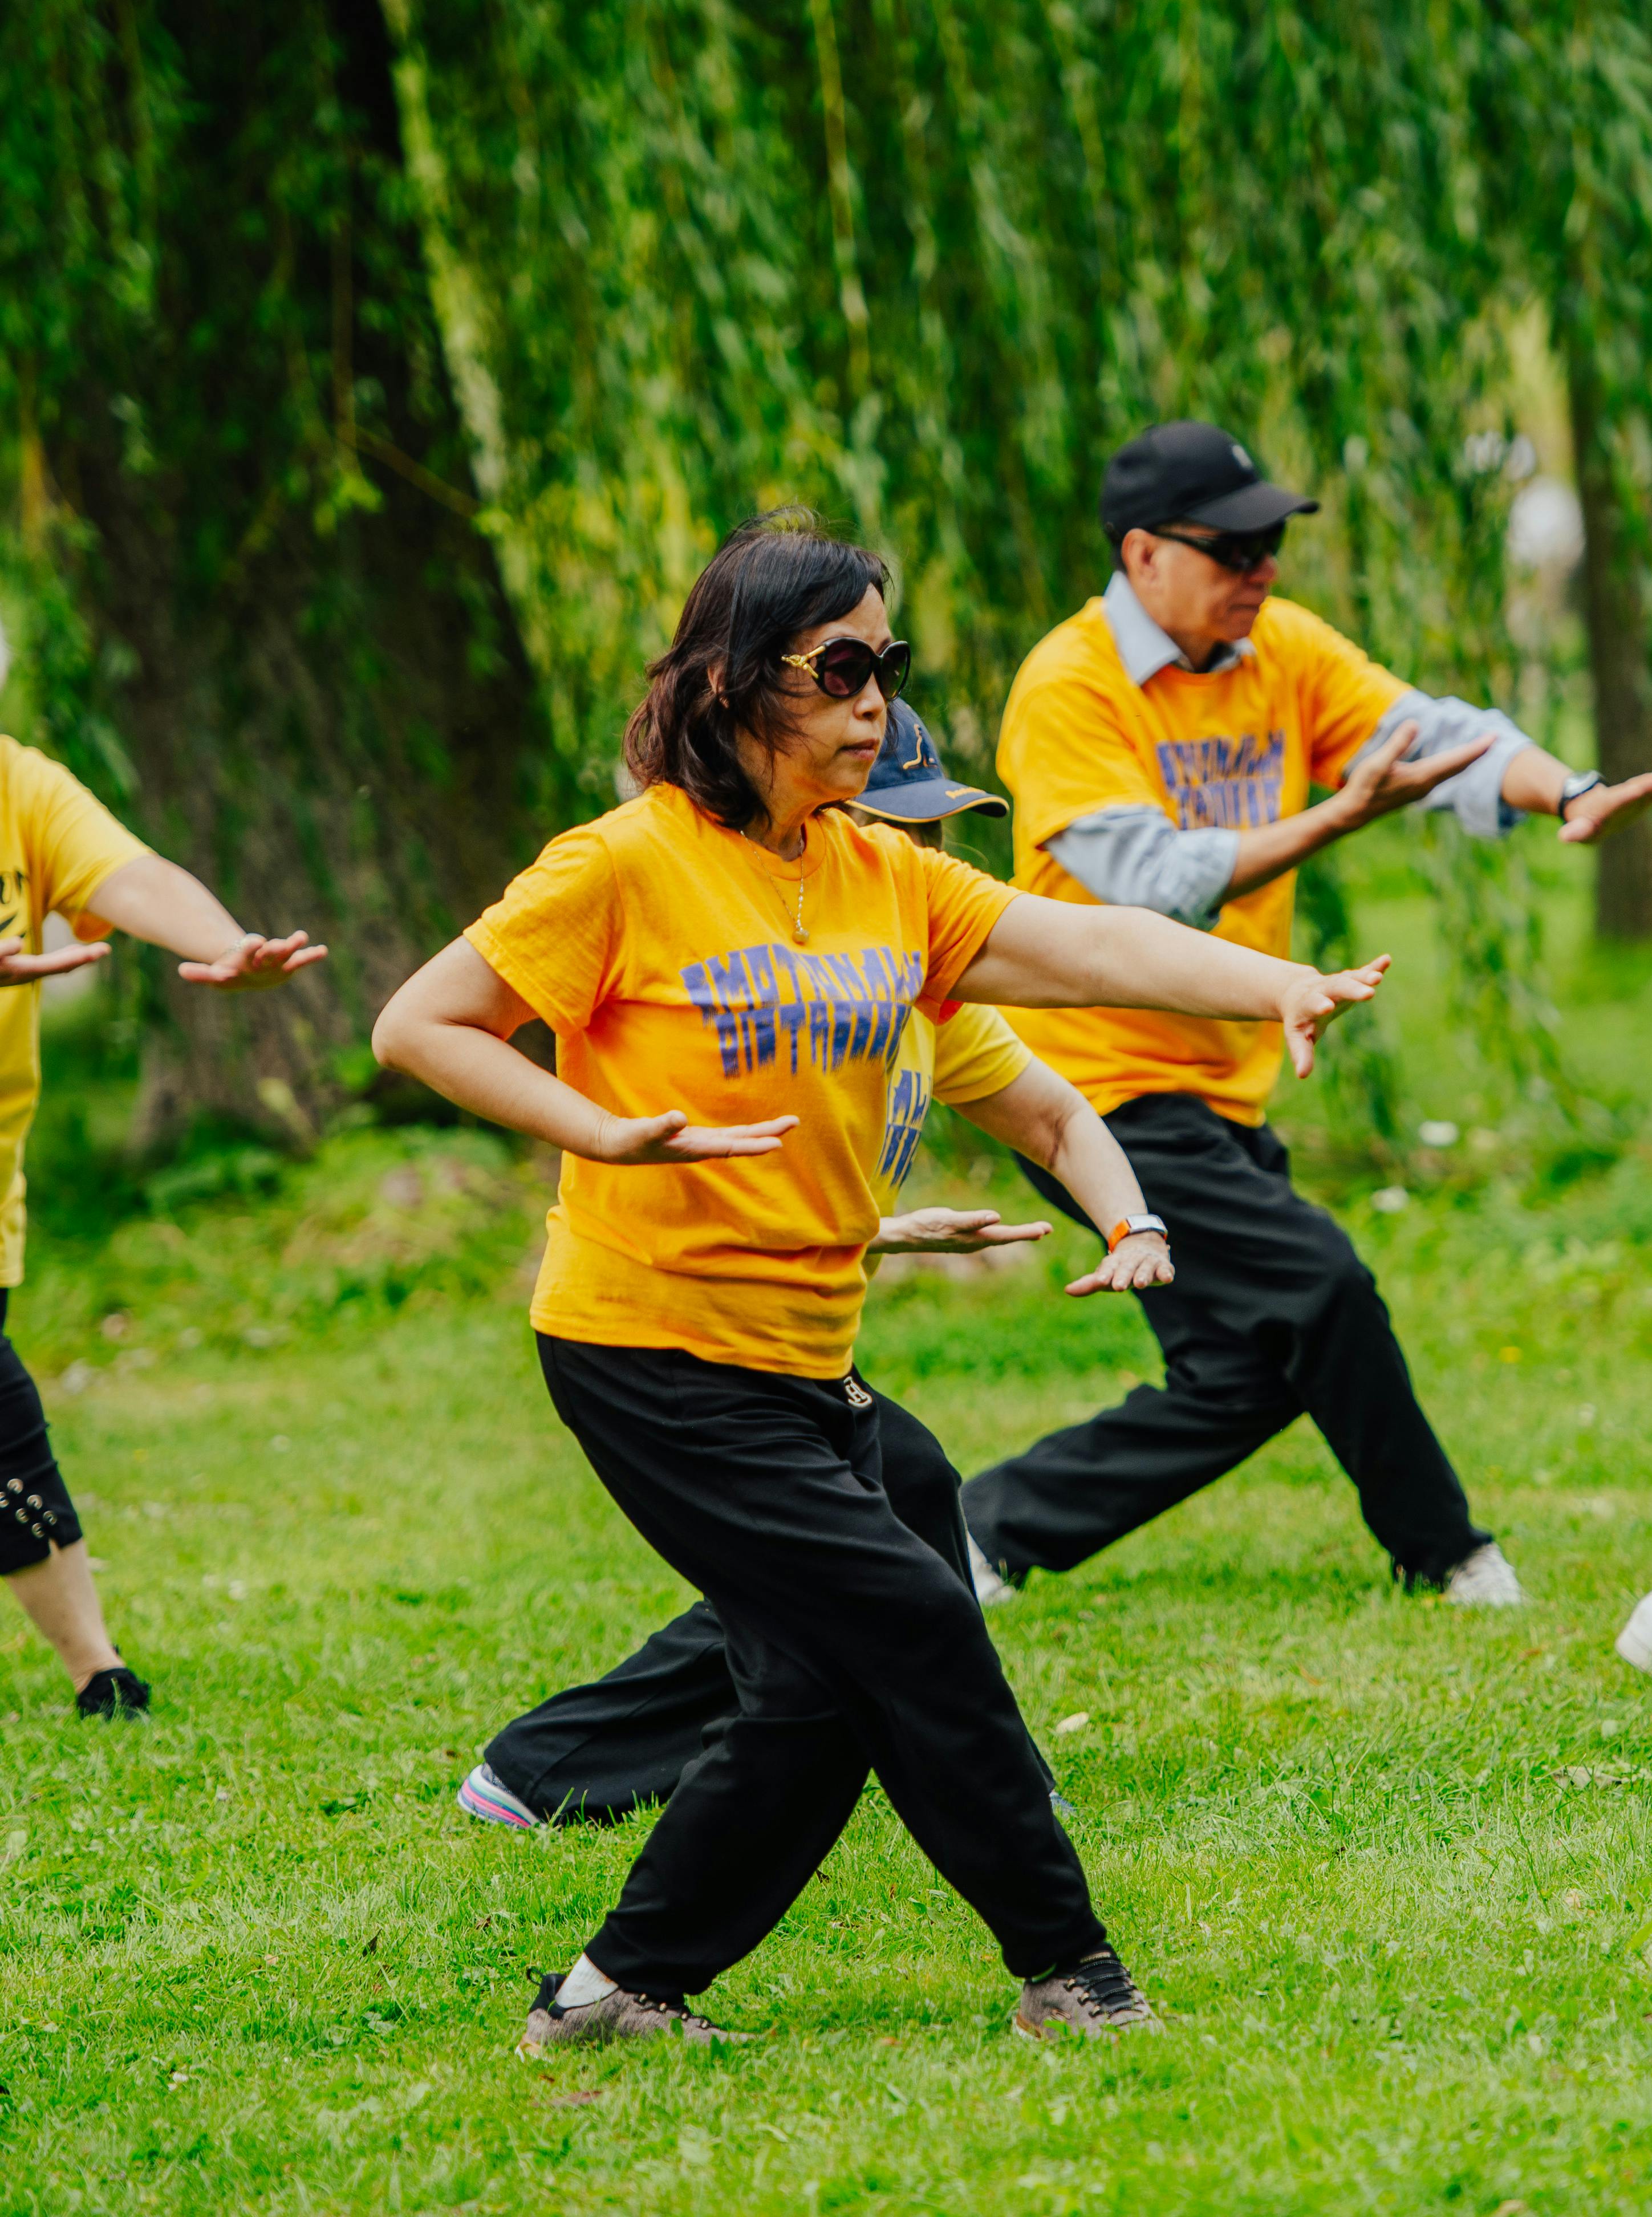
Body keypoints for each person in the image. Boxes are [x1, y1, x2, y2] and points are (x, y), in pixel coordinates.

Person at [373, 506, 1385, 2050]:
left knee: (818, 1689)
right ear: (730, 687)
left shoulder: (882, 881)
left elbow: (1092, 951)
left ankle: (615, 1995)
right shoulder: (624, 866)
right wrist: (601, 1131)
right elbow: (421, 1026)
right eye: (840, 667)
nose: (874, 704)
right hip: (648, 1349)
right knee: (911, 1620)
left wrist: (1281, 983)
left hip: (800, 1351)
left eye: (886, 668)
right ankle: (1073, 1975)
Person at [959, 419, 1652, 1614]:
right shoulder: (1067, 686)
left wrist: (1568, 791)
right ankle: (1449, 1554)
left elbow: (1434, 737)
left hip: (1220, 1078)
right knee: (1324, 1285)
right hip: (1090, 1089)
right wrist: (1336, 821)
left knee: (1246, 1371)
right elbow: (1149, 879)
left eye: (1273, 542)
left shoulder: (1278, 647)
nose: (1263, 569)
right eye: (1234, 547)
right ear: (1143, 555)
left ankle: (979, 1530)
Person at [454, 701, 1174, 1834]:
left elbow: (1047, 1114)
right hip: (668, 1331)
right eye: (906, 826)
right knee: (858, 1573)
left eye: (943, 829)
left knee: (899, 1504)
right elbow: (720, 1163)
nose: (930, 857)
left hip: (787, 1330)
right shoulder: (728, 938)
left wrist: (1123, 1227)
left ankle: (550, 1768)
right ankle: (567, 1775)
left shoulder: (916, 987)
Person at [0, 733, 326, 1717]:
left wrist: (225, 943)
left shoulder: (17, 783)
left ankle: (97, 1670)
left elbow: (132, 874)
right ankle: (98, 1670)